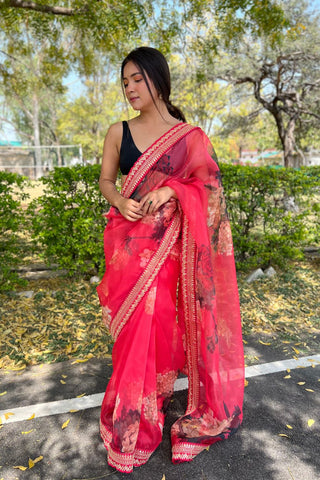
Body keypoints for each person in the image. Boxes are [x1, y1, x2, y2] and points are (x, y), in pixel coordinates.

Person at [97, 46, 244, 474]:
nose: (129, 88)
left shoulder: (190, 138)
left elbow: (209, 190)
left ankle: (158, 404)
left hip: (173, 254)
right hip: (130, 249)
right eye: (124, 81)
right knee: (132, 336)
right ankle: (132, 421)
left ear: (157, 79)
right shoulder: (117, 131)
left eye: (136, 79)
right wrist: (120, 199)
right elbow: (107, 180)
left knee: (160, 326)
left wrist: (173, 191)